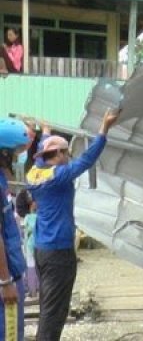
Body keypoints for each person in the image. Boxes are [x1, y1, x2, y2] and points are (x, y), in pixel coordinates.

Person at [26, 108, 120, 341]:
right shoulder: (59, 176)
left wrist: (46, 134)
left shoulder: (34, 174)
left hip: (42, 248)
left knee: (49, 303)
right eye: (66, 153)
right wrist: (103, 130)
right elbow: (87, 160)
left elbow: (43, 152)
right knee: (54, 311)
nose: (69, 157)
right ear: (57, 154)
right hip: (59, 251)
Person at [0, 118, 32, 341]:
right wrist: (5, 282)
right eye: (14, 153)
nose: (17, 157)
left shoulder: (2, 180)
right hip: (5, 278)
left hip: (12, 272)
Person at [15, 190, 38, 298]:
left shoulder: (26, 218)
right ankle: (34, 290)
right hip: (35, 245)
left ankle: (32, 291)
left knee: (30, 267)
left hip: (28, 245)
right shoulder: (36, 217)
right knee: (34, 268)